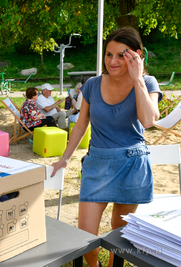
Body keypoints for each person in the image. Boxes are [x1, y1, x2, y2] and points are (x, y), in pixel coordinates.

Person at [51, 27, 162, 267]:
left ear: (137, 55)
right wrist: (65, 158)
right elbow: (81, 126)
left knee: (119, 236)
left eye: (121, 55)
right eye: (108, 54)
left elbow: (149, 120)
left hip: (132, 164)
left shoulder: (148, 83)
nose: (112, 61)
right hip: (97, 164)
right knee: (85, 237)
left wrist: (137, 78)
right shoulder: (92, 84)